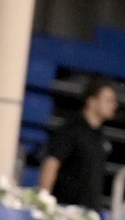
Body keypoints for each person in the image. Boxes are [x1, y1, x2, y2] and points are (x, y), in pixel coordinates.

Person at [38, 76, 118, 210]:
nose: (114, 105)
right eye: (109, 100)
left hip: (90, 211)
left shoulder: (100, 135)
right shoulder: (70, 130)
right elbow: (52, 163)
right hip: (67, 210)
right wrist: (43, 201)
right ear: (92, 101)